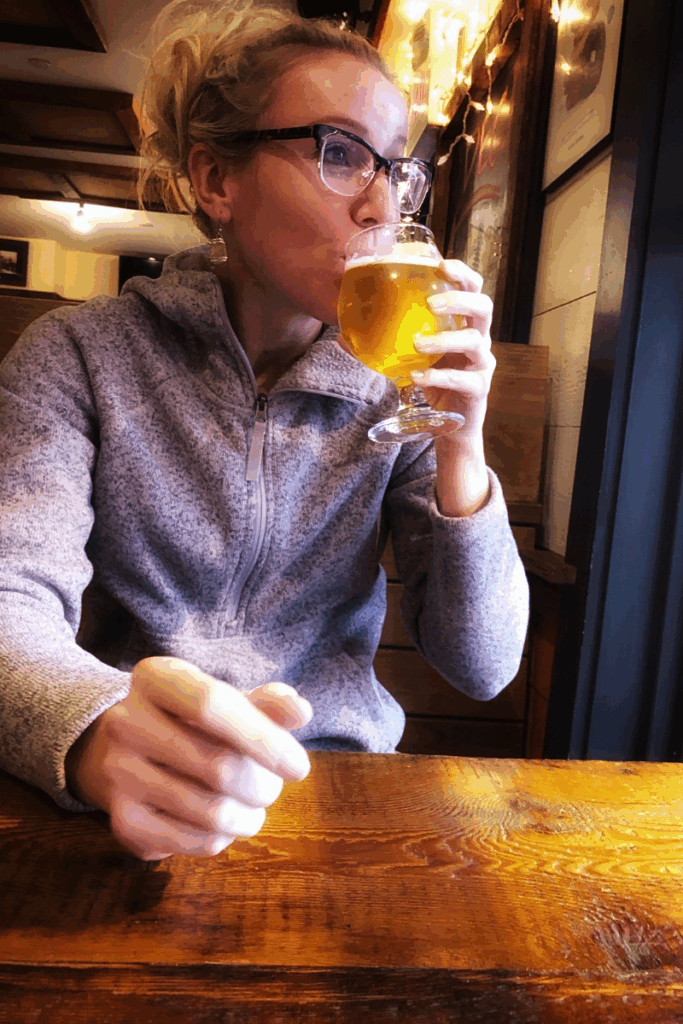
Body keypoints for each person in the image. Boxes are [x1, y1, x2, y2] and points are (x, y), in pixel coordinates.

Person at [0, 0, 529, 862]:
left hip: (333, 799)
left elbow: (482, 664)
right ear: (217, 181)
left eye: (395, 171)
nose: (378, 206)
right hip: (124, 799)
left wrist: (460, 445)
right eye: (340, 153)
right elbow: (7, 599)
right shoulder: (79, 357)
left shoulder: (393, 387)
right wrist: (95, 731)